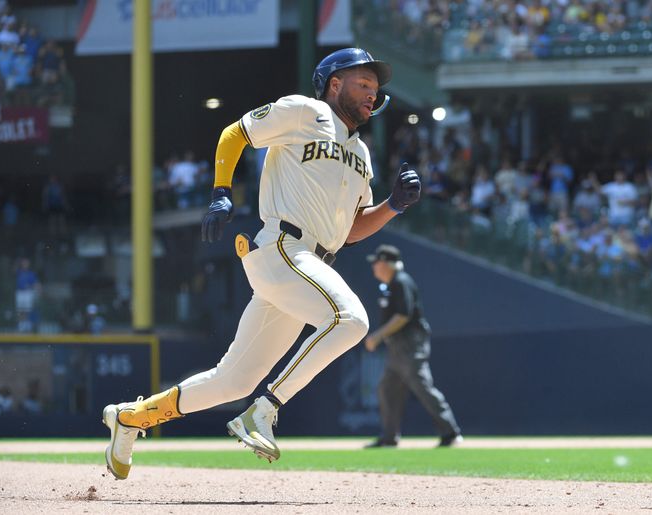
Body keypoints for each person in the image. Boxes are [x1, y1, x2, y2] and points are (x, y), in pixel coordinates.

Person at [101, 48, 421, 480]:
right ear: (334, 83)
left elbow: (351, 231)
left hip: (305, 267)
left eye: (375, 88)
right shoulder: (303, 111)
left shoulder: (361, 152)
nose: (371, 93)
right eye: (362, 83)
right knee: (352, 321)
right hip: (284, 248)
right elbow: (235, 133)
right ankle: (265, 410)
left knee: (231, 380)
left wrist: (393, 206)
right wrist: (220, 190)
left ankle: (131, 418)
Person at [363, 244, 461, 448]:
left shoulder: (401, 281)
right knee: (387, 389)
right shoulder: (391, 284)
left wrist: (378, 336)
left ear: (386, 263)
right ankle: (389, 438)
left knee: (423, 386)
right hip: (398, 348)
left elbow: (403, 315)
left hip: (410, 344)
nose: (374, 266)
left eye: (377, 262)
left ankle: (451, 434)